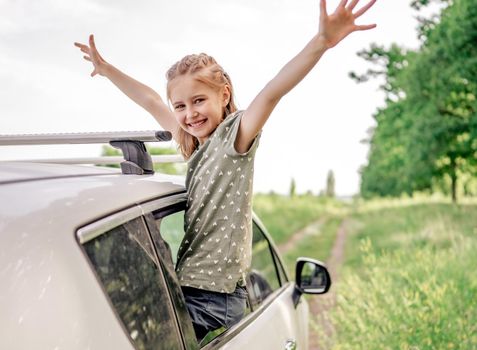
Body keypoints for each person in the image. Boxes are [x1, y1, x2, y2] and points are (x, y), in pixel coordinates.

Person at [74, 0, 377, 341]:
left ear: (224, 95)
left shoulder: (235, 139)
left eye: (199, 100)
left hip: (216, 300)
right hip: (186, 288)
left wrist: (320, 42)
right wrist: (107, 68)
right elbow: (151, 101)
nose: (189, 113)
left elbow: (272, 92)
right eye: (181, 106)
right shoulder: (193, 145)